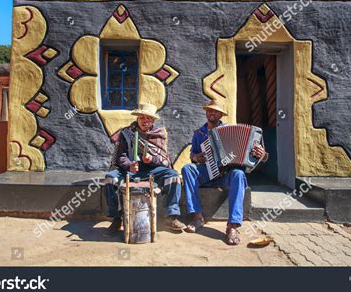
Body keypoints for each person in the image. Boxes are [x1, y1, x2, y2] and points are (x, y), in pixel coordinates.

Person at [181, 100, 268, 245]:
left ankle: (232, 226)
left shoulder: (232, 130)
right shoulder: (199, 133)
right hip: (207, 173)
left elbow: (259, 156)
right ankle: (197, 217)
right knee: (187, 169)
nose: (212, 113)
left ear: (221, 114)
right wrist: (195, 157)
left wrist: (262, 154)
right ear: (206, 112)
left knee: (239, 174)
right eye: (209, 110)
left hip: (225, 175)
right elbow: (192, 155)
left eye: (215, 111)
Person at [103, 102, 186, 237]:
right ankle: (116, 219)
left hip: (152, 171)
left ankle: (171, 217)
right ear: (137, 118)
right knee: (111, 178)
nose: (145, 121)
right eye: (142, 117)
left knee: (173, 175)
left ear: (152, 120)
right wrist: (130, 164)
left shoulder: (159, 134)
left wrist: (151, 160)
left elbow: (164, 160)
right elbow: (121, 157)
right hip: (129, 171)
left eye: (148, 118)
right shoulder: (126, 133)